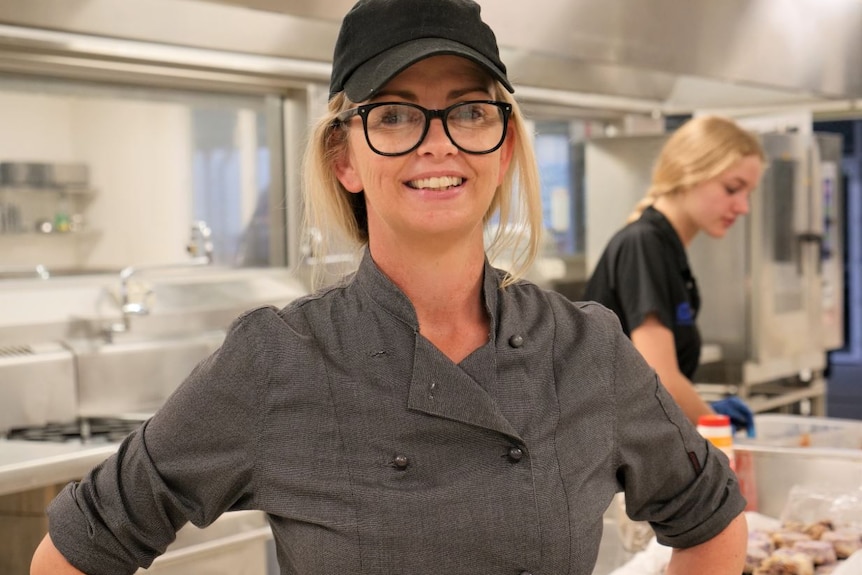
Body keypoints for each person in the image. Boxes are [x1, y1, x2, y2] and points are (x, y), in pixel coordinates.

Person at [31, 1, 748, 574]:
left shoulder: (587, 347)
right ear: (345, 157)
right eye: (396, 114)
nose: (439, 142)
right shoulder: (278, 359)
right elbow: (75, 551)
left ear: (502, 148)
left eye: (470, 111)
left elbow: (714, 524)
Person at [583, 115, 765, 435]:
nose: (743, 207)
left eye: (747, 193)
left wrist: (701, 408)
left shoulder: (666, 249)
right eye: (733, 189)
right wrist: (715, 426)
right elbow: (661, 376)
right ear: (688, 174)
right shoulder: (644, 243)